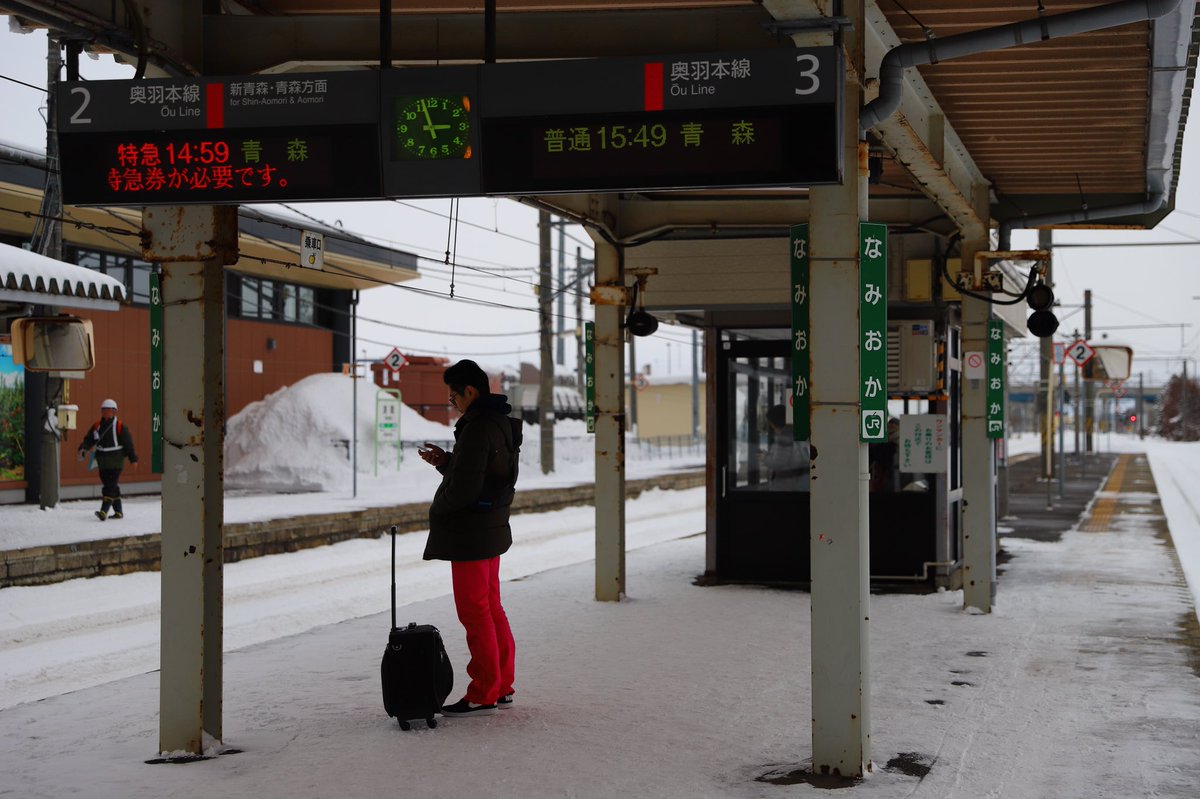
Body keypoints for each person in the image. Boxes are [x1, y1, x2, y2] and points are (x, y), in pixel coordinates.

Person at [418, 359, 518, 718]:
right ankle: (502, 685)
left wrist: (439, 509)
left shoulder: (477, 427)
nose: (453, 403)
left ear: (470, 392)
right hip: (489, 529)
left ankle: (483, 691)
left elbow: (465, 488)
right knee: (491, 608)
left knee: (475, 613)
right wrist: (447, 463)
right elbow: (484, 473)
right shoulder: (499, 423)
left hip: (472, 534)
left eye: (453, 397)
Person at [77, 398, 137, 520]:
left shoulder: (120, 426)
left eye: (108, 410)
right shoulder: (97, 426)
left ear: (114, 411)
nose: (105, 412)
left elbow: (128, 444)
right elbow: (89, 439)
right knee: (111, 485)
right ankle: (118, 512)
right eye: (103, 410)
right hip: (102, 461)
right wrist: (83, 448)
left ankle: (103, 511)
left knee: (109, 486)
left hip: (116, 461)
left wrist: (133, 459)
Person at [764, 404, 812, 491]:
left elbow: (778, 462)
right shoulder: (797, 434)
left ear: (774, 422)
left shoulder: (785, 437)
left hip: (786, 486)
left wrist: (764, 457)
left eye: (770, 423)